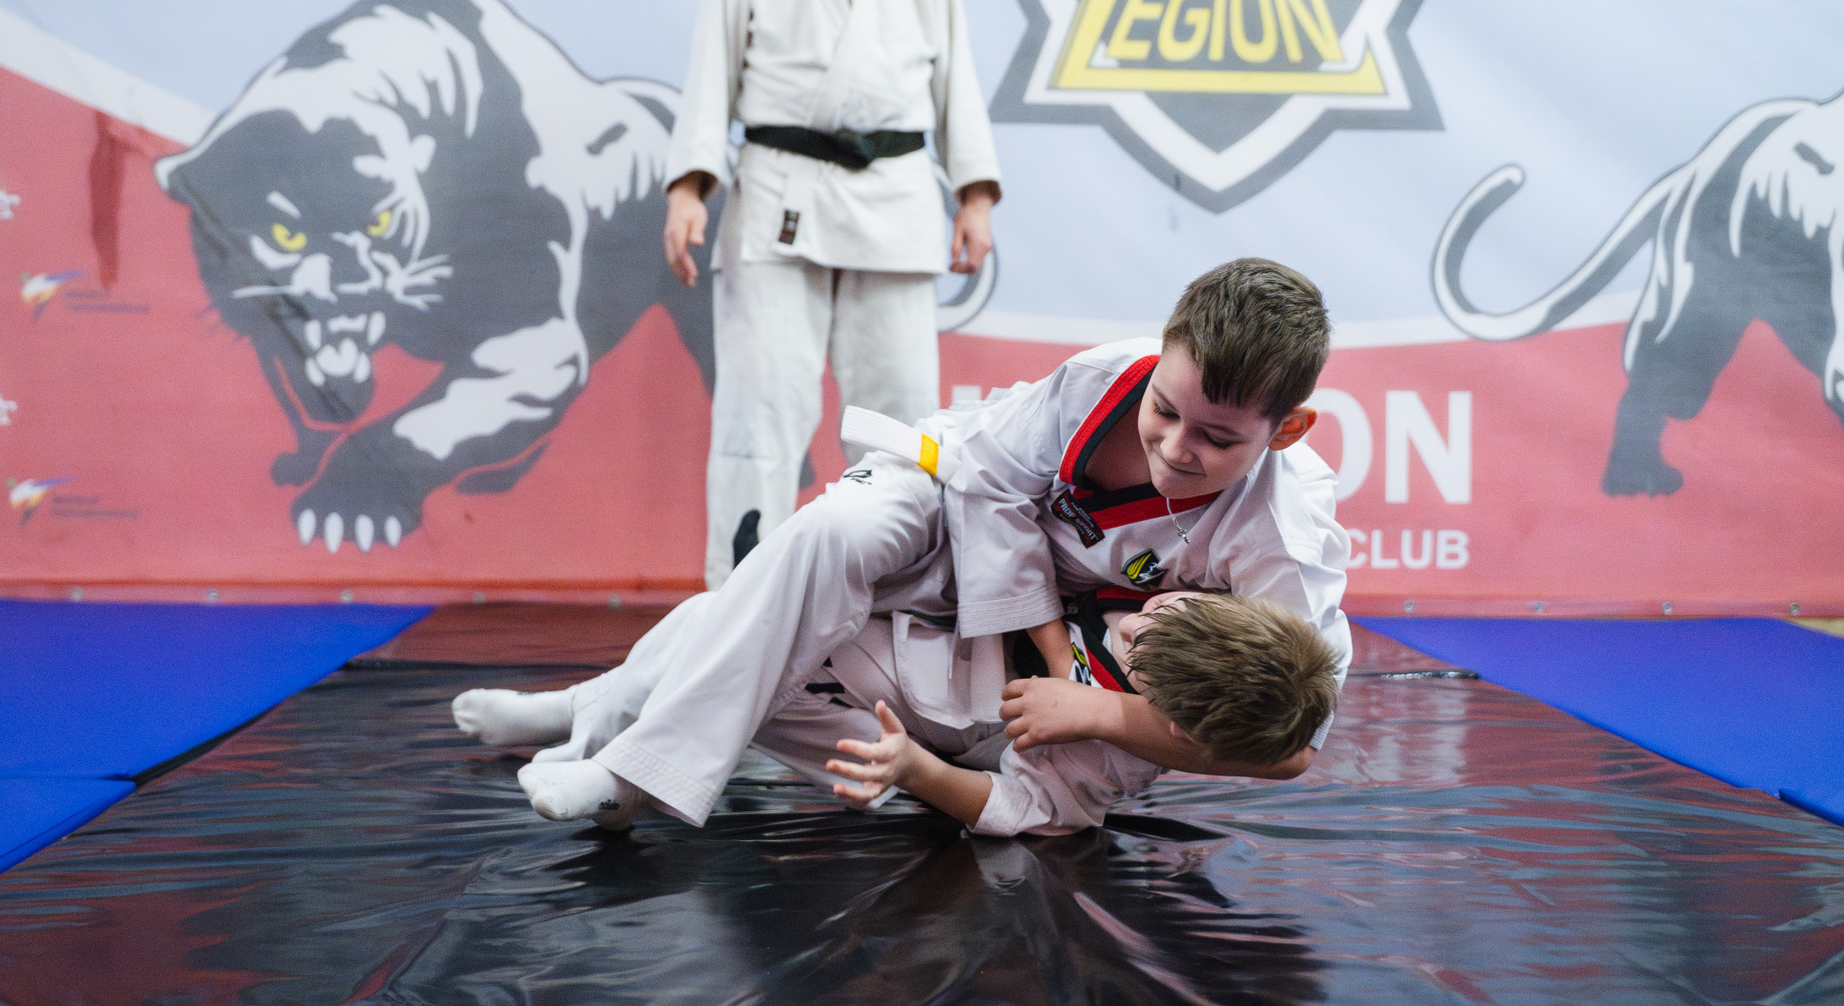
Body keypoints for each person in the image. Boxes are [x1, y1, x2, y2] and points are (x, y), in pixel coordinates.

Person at [455, 258, 1352, 829]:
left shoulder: (1286, 539)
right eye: (1164, 409)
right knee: (827, 536)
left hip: (1046, 644)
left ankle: (599, 720)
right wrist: (1053, 654)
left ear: (1288, 430)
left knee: (783, 633)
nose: (1176, 448)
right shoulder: (1101, 378)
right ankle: (616, 742)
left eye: (1217, 440)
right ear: (1158, 358)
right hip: (965, 518)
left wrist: (1095, 709)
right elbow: (992, 485)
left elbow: (1287, 741)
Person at [661, 0, 1003, 589]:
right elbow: (711, 70)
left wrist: (974, 194)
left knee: (901, 417)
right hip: (779, 192)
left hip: (894, 198)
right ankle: (739, 595)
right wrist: (688, 188)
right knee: (760, 410)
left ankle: (901, 595)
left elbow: (956, 78)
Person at [461, 586, 1338, 836]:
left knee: (740, 663)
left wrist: (917, 772)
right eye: (1172, 609)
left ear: (1172, 726)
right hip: (875, 635)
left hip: (875, 719)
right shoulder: (1169, 592)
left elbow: (1022, 809)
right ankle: (577, 714)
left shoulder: (1109, 758)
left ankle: (623, 779)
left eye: (1145, 651)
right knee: (720, 614)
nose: (1140, 621)